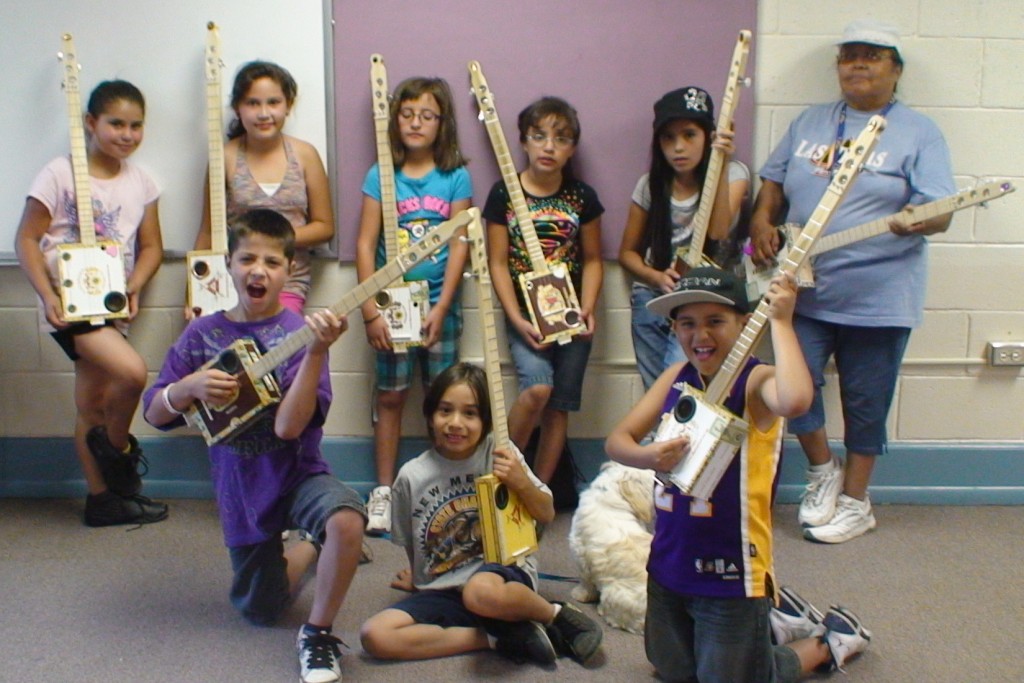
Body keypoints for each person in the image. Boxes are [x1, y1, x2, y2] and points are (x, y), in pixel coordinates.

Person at [605, 267, 871, 682]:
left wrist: (781, 322)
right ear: (674, 328)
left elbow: (797, 399)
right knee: (672, 669)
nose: (701, 335)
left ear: (745, 324)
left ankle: (827, 642)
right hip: (668, 563)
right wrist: (647, 456)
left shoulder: (756, 382)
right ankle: (778, 622)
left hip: (729, 574)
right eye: (687, 323)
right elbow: (617, 440)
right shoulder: (675, 377)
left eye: (716, 321)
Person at [748, 19, 957, 543]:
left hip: (879, 296)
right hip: (806, 292)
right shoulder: (811, 122)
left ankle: (857, 501)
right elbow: (772, 181)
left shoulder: (919, 132)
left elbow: (943, 211)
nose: (858, 64)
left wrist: (919, 216)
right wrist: (761, 222)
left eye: (873, 55)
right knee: (793, 390)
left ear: (896, 69)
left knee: (867, 400)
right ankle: (823, 472)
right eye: (849, 55)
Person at [143, 209, 365, 683]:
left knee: (346, 519)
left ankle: (318, 633)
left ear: (289, 271)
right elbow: (152, 412)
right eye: (247, 259)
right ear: (229, 263)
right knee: (261, 610)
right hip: (241, 487)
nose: (258, 270)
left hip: (297, 474)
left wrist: (318, 351)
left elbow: (288, 428)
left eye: (271, 261)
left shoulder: (300, 335)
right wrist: (188, 388)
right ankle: (309, 547)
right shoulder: (202, 335)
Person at [359, 362, 602, 666]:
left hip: (501, 576)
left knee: (479, 593)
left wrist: (521, 481)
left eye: (470, 413)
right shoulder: (411, 476)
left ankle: (555, 614)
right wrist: (418, 578)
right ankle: (501, 638)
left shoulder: (500, 455)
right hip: (445, 587)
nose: (455, 423)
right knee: (375, 635)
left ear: (486, 420)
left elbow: (546, 513)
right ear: (431, 416)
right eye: (445, 410)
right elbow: (412, 540)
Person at [14, 79, 167, 527]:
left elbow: (154, 247)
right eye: (116, 123)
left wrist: (135, 286)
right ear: (90, 123)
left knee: (92, 405)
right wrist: (47, 296)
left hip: (112, 304)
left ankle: (102, 500)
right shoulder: (59, 173)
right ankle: (117, 455)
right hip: (70, 305)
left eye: (136, 126)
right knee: (133, 372)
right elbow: (25, 238)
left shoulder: (143, 182)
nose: (126, 134)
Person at [355, 76, 472, 535]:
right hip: (392, 307)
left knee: (445, 401)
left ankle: (445, 485)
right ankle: (383, 490)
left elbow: (460, 245)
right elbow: (365, 246)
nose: (416, 123)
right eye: (407, 114)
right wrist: (370, 311)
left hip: (440, 307)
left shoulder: (456, 175)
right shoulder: (379, 174)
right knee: (391, 397)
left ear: (441, 122)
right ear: (394, 119)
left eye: (426, 115)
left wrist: (443, 307)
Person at [483, 96, 604, 485]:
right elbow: (497, 262)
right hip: (526, 318)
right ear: (523, 141)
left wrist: (587, 310)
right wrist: (517, 320)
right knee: (537, 390)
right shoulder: (503, 194)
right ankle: (502, 479)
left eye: (561, 138)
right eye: (539, 136)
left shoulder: (582, 197)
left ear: (572, 148)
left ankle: (539, 495)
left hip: (571, 319)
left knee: (558, 409)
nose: (549, 146)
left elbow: (594, 260)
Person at [618, 86, 750, 390]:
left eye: (689, 135)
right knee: (656, 392)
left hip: (702, 301)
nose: (678, 147)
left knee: (682, 383)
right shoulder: (650, 185)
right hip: (653, 296)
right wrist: (655, 277)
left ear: (708, 135)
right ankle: (660, 437)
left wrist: (722, 163)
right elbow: (627, 253)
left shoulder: (734, 174)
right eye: (668, 137)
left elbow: (718, 231)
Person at [192, 60, 334, 316]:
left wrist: (270, 240)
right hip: (232, 285)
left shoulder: (305, 155)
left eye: (273, 102)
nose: (264, 113)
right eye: (252, 103)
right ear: (238, 108)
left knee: (277, 349)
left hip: (288, 284)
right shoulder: (223, 157)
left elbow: (324, 226)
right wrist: (194, 293)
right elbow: (207, 232)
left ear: (288, 105)